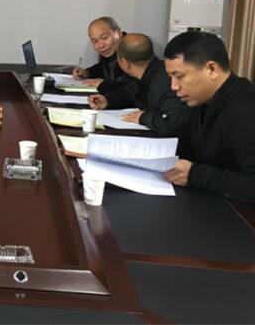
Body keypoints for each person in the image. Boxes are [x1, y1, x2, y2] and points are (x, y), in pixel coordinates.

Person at [163, 31, 255, 203]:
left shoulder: (247, 110)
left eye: (179, 76)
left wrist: (195, 175)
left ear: (212, 69)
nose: (174, 86)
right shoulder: (199, 101)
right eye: (171, 77)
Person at [88, 33, 187, 135]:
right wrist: (107, 100)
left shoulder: (167, 82)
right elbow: (128, 93)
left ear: (125, 63)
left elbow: (171, 123)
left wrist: (143, 117)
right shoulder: (151, 72)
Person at [72, 16, 130, 93]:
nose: (101, 45)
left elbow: (134, 88)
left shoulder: (132, 50)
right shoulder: (111, 52)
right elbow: (103, 67)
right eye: (95, 41)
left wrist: (104, 84)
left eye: (104, 37)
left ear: (118, 33)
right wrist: (87, 73)